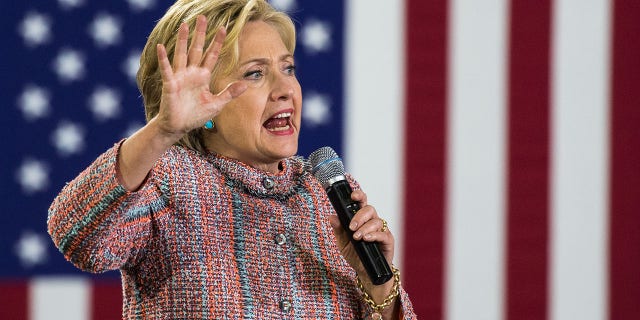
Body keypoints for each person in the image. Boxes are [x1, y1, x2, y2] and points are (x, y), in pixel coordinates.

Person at [47, 0, 416, 319]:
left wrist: (378, 284)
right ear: (201, 102)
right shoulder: (168, 177)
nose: (285, 89)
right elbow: (77, 236)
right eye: (255, 73)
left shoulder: (327, 192)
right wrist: (162, 131)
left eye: (288, 68)